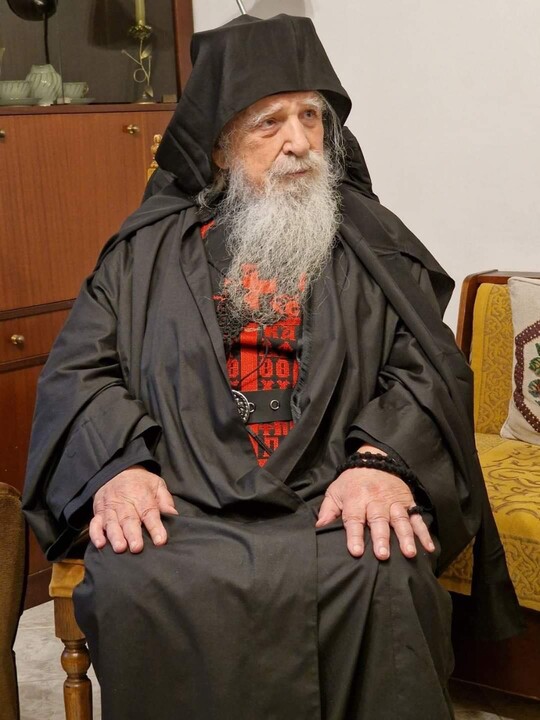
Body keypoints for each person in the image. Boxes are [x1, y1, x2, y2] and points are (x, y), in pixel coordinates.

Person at [23, 13, 522, 720]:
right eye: (270, 123)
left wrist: (382, 461)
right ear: (221, 149)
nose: (300, 142)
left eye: (310, 117)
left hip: (333, 490)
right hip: (184, 496)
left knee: (384, 572)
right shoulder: (142, 255)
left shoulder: (373, 244)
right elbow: (81, 372)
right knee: (138, 581)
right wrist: (119, 469)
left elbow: (426, 367)